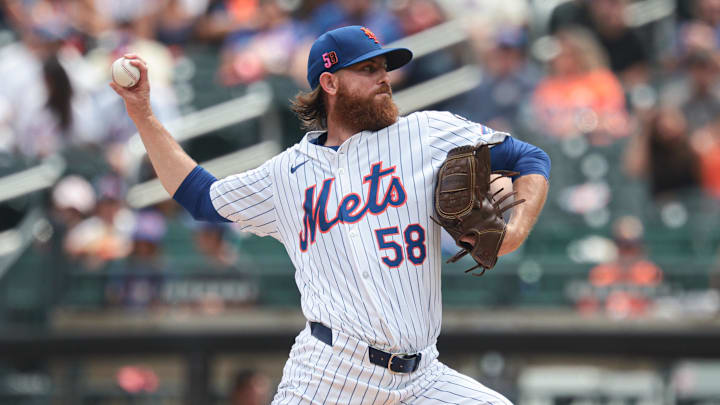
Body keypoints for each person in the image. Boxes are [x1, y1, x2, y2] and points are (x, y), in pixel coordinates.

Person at [111, 25, 550, 404]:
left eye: (385, 68)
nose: (384, 79)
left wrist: (513, 231)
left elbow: (530, 159)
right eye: (368, 69)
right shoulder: (286, 174)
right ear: (331, 83)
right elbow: (200, 197)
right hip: (328, 376)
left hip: (422, 378)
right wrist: (142, 113)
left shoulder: (428, 133)